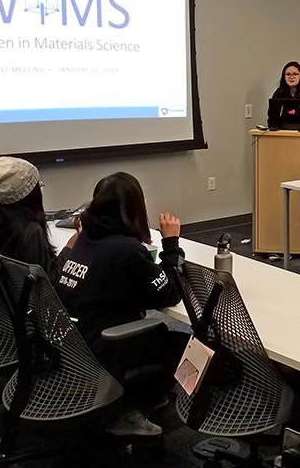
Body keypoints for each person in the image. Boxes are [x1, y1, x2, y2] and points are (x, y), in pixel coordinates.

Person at [54, 172, 185, 437]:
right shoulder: (126, 249)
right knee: (185, 343)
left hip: (71, 343)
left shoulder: (83, 238)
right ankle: (131, 407)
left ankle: (134, 397)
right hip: (105, 347)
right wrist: (171, 243)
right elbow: (169, 294)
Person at [0, 155, 58, 281]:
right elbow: (44, 285)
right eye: (38, 185)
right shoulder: (30, 231)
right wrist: (68, 252)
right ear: (29, 194)